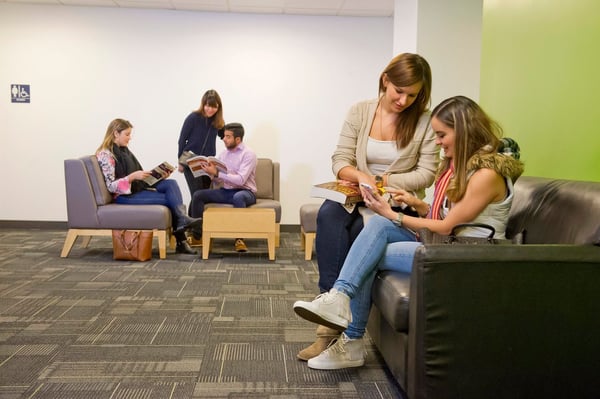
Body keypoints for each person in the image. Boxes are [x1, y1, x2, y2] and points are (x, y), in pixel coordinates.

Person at [294, 95, 525, 370]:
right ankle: (340, 300)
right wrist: (417, 204)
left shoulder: (487, 174)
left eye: (442, 135)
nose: (437, 141)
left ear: (463, 131)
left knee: (371, 250)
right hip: (449, 243)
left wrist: (395, 214)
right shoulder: (462, 167)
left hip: (467, 255)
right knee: (377, 228)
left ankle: (350, 334)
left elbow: (447, 226)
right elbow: (448, 217)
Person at [302, 53, 439, 361]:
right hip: (359, 195)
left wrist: (381, 181)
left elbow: (427, 173)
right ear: (385, 81)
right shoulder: (361, 111)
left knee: (362, 231)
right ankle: (328, 321)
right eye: (398, 91)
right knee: (329, 215)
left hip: (398, 203)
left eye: (413, 94)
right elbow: (340, 160)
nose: (404, 100)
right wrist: (360, 177)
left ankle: (341, 322)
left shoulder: (426, 122)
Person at [96, 118, 202, 255]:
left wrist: (158, 175)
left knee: (171, 184)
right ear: (116, 133)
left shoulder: (124, 151)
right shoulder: (106, 154)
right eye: (127, 134)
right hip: (123, 196)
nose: (129, 138)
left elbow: (135, 175)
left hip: (135, 189)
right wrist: (133, 177)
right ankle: (181, 238)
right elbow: (111, 186)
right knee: (171, 200)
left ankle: (182, 221)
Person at [189, 122, 257, 253]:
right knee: (198, 195)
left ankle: (239, 239)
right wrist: (211, 174)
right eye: (224, 136)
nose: (224, 139)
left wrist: (217, 173)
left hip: (245, 192)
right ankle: (198, 236)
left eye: (227, 136)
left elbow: (241, 180)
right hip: (226, 191)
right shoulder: (223, 154)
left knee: (238, 197)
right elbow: (219, 179)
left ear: (237, 139)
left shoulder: (249, 154)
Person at [177, 89, 225, 196]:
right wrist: (180, 161)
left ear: (218, 107)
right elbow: (182, 139)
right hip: (191, 160)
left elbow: (225, 136)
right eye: (208, 106)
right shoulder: (193, 117)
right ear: (203, 104)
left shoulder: (218, 122)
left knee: (202, 196)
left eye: (214, 107)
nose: (210, 109)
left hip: (207, 162)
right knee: (197, 194)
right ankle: (192, 214)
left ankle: (193, 213)